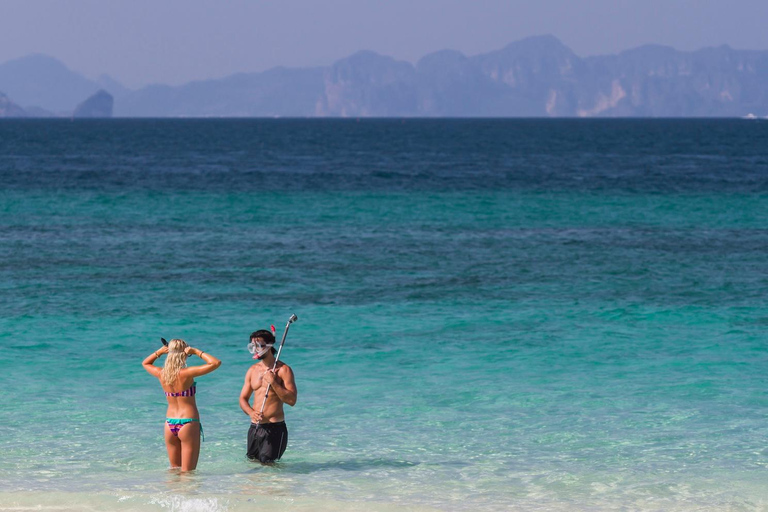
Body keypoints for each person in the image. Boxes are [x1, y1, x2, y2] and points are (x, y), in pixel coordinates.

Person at [142, 339, 221, 471]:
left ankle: (173, 492)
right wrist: (196, 351)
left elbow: (145, 363)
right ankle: (187, 492)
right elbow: (215, 362)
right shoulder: (187, 373)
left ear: (169, 353)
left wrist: (159, 352)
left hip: (169, 423)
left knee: (174, 470)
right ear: (184, 354)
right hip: (188, 422)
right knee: (188, 473)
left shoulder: (162, 374)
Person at [239, 329, 298, 463]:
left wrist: (274, 382)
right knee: (252, 464)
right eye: (252, 346)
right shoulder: (252, 370)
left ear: (270, 345)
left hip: (275, 428)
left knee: (268, 467)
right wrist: (251, 412)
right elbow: (243, 399)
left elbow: (292, 400)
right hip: (255, 427)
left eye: (259, 346)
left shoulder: (284, 370)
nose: (255, 350)